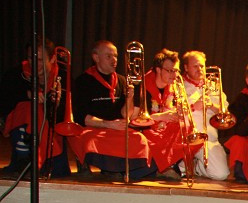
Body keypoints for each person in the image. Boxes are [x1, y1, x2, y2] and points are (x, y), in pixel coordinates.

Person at [68, 40, 155, 180]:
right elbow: (81, 117)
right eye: (109, 56)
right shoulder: (83, 81)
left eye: (115, 56)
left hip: (115, 128)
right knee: (92, 141)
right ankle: (111, 170)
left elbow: (125, 114)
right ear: (96, 58)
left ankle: (125, 171)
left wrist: (129, 99)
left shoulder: (121, 81)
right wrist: (107, 124)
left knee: (139, 139)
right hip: (93, 128)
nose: (114, 60)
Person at [0, 37, 70, 176]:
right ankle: (26, 160)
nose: (34, 63)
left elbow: (65, 113)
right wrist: (28, 94)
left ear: (52, 58)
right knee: (28, 107)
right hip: (22, 124)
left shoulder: (63, 76)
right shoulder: (15, 74)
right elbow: (4, 102)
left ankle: (30, 162)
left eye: (39, 60)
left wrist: (55, 102)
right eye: (31, 59)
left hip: (52, 125)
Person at [139, 48, 191, 180]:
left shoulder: (173, 86)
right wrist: (162, 117)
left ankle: (168, 165)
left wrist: (176, 112)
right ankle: (164, 167)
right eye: (170, 71)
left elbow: (169, 107)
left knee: (187, 128)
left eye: (176, 70)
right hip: (146, 128)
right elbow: (136, 119)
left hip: (163, 125)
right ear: (158, 69)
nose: (174, 75)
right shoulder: (142, 86)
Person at [181, 50, 230, 181]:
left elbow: (225, 114)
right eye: (195, 66)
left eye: (202, 66)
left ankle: (198, 167)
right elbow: (173, 110)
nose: (200, 69)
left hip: (209, 138)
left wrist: (212, 107)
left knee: (222, 174)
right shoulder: (178, 85)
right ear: (186, 67)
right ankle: (185, 164)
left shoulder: (214, 86)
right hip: (185, 138)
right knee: (179, 171)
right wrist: (193, 106)